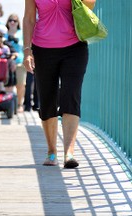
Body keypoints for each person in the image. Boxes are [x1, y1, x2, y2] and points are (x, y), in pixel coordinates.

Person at [23, 0, 96, 168]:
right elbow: (28, 19)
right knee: (47, 100)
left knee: (71, 95)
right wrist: (27, 51)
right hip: (42, 49)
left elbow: (91, 4)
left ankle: (69, 153)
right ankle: (51, 151)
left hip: (75, 47)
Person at [5, 14, 26, 113]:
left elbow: (25, 46)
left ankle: (19, 104)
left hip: (20, 63)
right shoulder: (4, 34)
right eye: (10, 20)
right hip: (7, 63)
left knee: (20, 85)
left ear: (18, 23)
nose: (12, 22)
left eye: (15, 21)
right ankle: (8, 105)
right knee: (8, 85)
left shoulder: (21, 33)